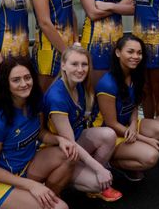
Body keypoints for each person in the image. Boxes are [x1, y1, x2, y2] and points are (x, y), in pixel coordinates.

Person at [0, 56, 75, 209]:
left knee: (70, 154)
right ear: (5, 84)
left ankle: (46, 197)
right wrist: (31, 185)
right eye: (16, 80)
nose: (24, 84)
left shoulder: (34, 103)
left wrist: (59, 140)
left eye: (27, 77)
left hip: (25, 169)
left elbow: (40, 133)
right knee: (62, 208)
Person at [43, 46, 122, 202]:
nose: (80, 69)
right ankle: (56, 182)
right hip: (55, 150)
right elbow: (70, 143)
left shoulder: (78, 85)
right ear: (63, 65)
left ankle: (84, 174)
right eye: (74, 64)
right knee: (97, 183)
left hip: (73, 143)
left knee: (109, 134)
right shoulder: (57, 97)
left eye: (84, 64)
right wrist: (99, 168)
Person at [94, 34, 159, 181]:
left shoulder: (134, 74)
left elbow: (133, 104)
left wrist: (134, 123)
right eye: (130, 51)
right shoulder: (107, 84)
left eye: (139, 53)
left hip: (126, 125)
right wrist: (146, 139)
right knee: (151, 156)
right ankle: (109, 161)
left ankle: (128, 155)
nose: (136, 56)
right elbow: (110, 123)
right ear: (117, 53)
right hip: (108, 134)